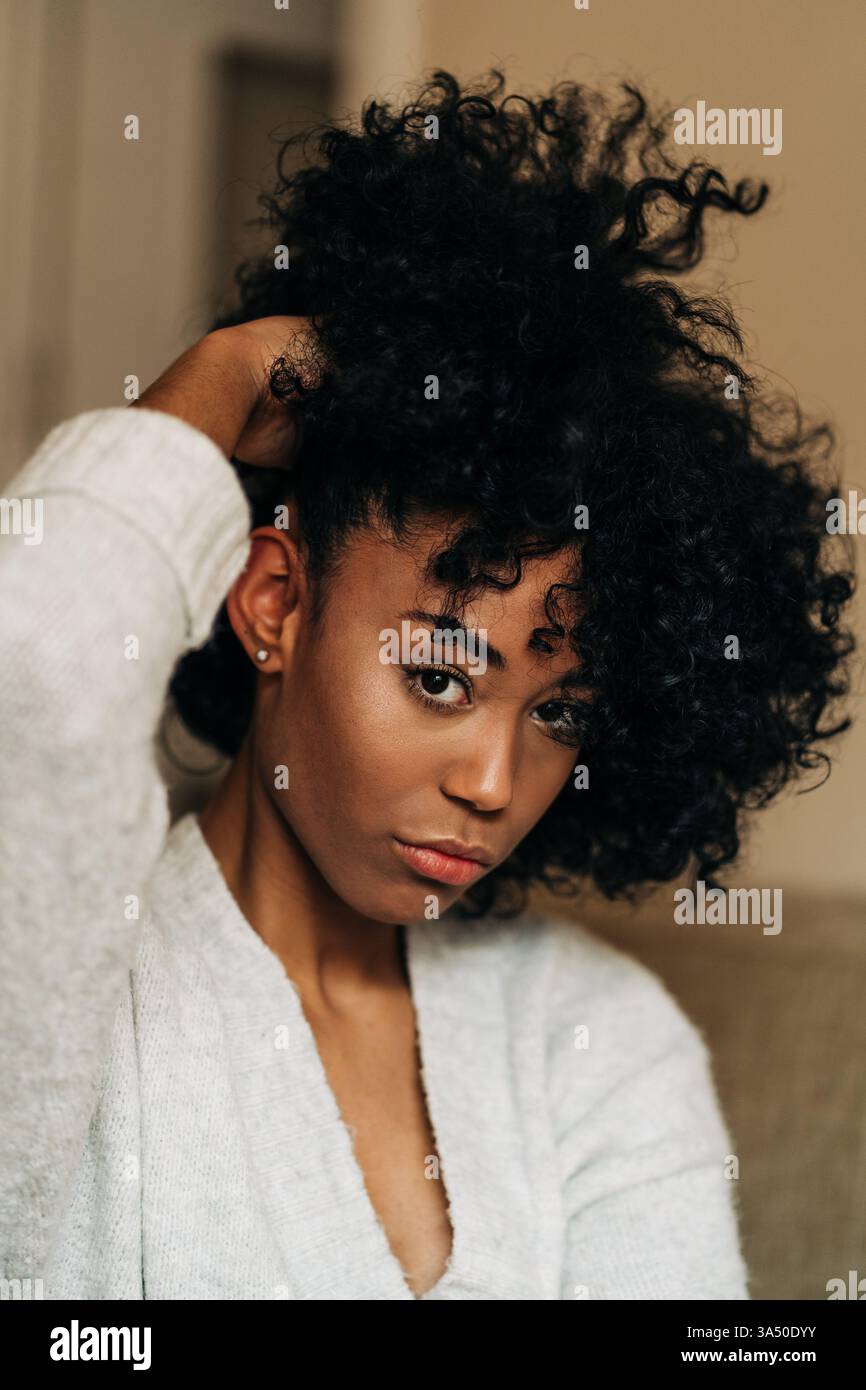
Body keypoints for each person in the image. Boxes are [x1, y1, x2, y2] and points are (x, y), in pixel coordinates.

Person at [0, 71, 853, 1300]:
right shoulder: (69, 963)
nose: (496, 783)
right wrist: (230, 376)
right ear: (273, 603)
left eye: (559, 711)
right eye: (444, 676)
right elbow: (38, 662)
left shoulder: (592, 1042)